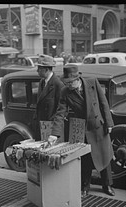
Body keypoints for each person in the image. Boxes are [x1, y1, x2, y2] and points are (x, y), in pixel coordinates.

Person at [47, 64, 115, 197]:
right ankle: (85, 186)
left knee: (104, 156)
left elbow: (104, 103)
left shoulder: (92, 83)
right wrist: (54, 134)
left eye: (70, 83)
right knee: (85, 159)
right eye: (66, 83)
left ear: (77, 79)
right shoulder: (65, 92)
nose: (68, 85)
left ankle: (107, 185)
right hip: (82, 129)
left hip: (99, 126)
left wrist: (109, 123)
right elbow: (60, 113)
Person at [35, 54, 64, 140]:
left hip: (52, 130)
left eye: (39, 69)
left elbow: (61, 109)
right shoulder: (42, 82)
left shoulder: (58, 84)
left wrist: (54, 131)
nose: (37, 71)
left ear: (46, 69)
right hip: (42, 126)